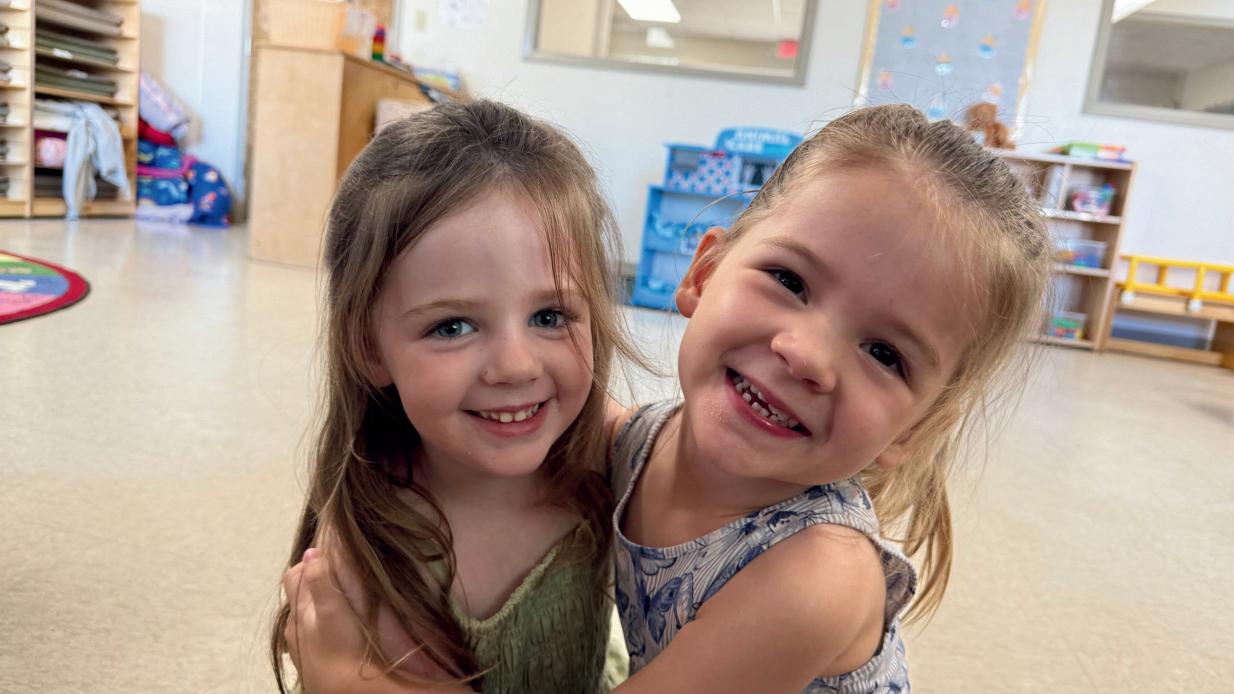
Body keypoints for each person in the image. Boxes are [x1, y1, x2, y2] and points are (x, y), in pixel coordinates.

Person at [604, 103, 1051, 692]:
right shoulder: (641, 441)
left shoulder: (814, 579)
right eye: (790, 281)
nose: (808, 355)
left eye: (884, 353)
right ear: (704, 273)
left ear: (915, 429)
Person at [272, 99, 637, 694]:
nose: (516, 366)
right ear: (368, 348)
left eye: (550, 316)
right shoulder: (372, 552)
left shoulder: (603, 460)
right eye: (452, 327)